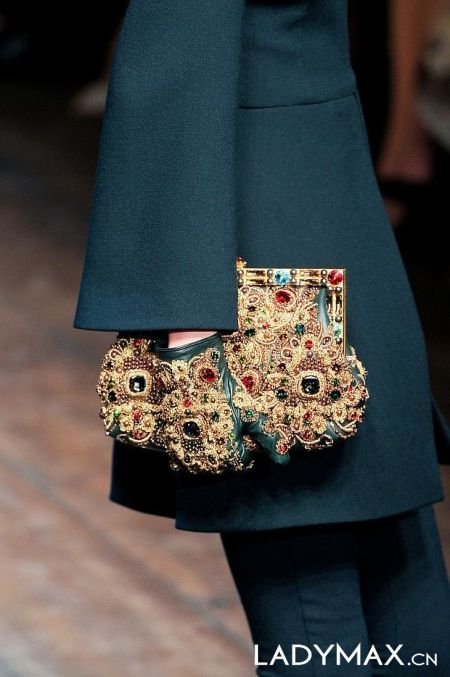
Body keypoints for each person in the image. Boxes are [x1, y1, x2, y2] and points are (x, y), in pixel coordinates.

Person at [74, 1, 450, 674]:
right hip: (331, 208)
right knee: (397, 567)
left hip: (249, 244)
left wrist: (191, 325)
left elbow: (175, 70)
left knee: (316, 605)